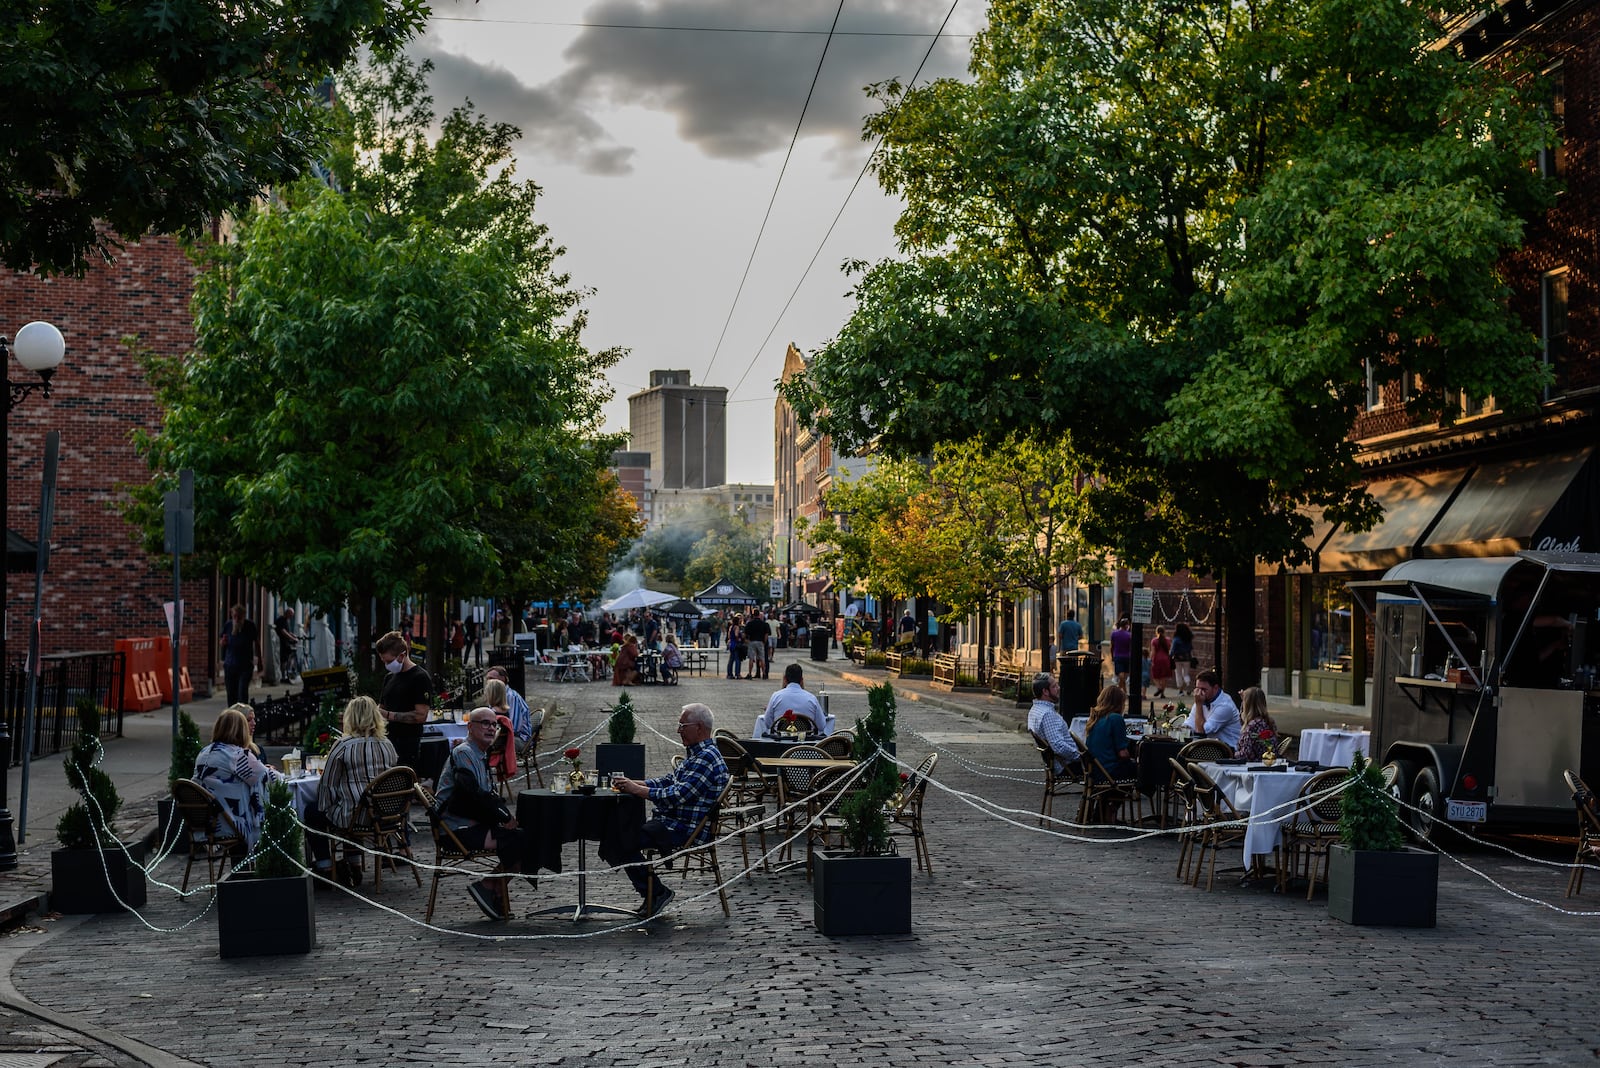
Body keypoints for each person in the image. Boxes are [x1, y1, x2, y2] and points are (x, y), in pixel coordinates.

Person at [612, 703, 730, 917]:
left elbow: (678, 794)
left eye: (683, 725)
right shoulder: (697, 754)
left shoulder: (707, 758)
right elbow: (670, 780)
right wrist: (637, 783)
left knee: (620, 839)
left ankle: (656, 893)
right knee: (617, 835)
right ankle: (653, 893)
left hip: (684, 829)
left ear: (700, 728)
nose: (678, 730)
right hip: (671, 823)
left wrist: (638, 790)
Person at [433, 705, 527, 920]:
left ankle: (492, 885)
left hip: (474, 823)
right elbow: (473, 795)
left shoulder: (481, 754)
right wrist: (504, 818)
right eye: (485, 723)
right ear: (470, 727)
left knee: (527, 836)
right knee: (523, 841)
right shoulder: (464, 752)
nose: (491, 728)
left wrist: (507, 817)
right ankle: (490, 886)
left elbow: (489, 796)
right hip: (457, 829)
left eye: (494, 724)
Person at [306, 696, 398, 883]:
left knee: (314, 812)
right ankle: (353, 864)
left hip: (355, 815)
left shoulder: (343, 745)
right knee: (355, 805)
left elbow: (327, 785)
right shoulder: (388, 745)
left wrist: (327, 805)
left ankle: (325, 866)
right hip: (385, 813)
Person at [192, 707, 282, 851]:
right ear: (241, 730)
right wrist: (272, 771)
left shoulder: (204, 752)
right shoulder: (237, 755)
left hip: (207, 822)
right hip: (231, 822)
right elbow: (271, 779)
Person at [376, 630, 432, 773]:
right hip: (386, 744)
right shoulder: (389, 678)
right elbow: (380, 706)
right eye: (383, 661)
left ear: (402, 656)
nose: (386, 664)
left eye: (389, 661)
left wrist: (388, 715)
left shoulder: (419, 677)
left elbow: (420, 716)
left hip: (407, 745)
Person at [753, 663, 834, 737]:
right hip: (805, 746)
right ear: (802, 680)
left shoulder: (776, 696)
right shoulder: (811, 698)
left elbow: (768, 724)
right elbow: (821, 725)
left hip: (781, 744)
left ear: (785, 679)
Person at [1026, 671, 1081, 776]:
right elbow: (1058, 746)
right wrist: (1081, 756)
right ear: (1045, 691)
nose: (1058, 688)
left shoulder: (1035, 710)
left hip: (1060, 763)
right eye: (1054, 686)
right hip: (1067, 766)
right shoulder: (1047, 715)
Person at [1084, 684, 1136, 781]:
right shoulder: (1115, 718)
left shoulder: (1095, 719)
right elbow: (1123, 754)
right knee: (1146, 768)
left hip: (1095, 772)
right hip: (1110, 772)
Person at [1188, 668, 1242, 750]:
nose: (1199, 693)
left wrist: (1199, 705)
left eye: (1203, 689)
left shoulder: (1225, 706)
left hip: (1228, 751)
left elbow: (1201, 733)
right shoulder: (1202, 699)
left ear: (1215, 688)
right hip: (1210, 747)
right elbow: (1189, 724)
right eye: (1197, 688)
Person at [219, 604, 261, 705]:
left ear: (244, 616)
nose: (237, 619)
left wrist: (260, 661)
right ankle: (232, 717)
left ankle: (242, 717)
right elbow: (221, 641)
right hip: (230, 665)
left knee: (242, 692)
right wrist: (222, 642)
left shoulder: (250, 626)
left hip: (245, 665)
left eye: (239, 617)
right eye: (234, 616)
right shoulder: (228, 625)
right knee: (231, 694)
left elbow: (257, 644)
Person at [483, 668, 534, 746]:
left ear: (503, 679)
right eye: (487, 679)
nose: (488, 682)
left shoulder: (511, 697)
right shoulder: (495, 695)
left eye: (492, 678)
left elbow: (514, 728)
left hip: (519, 738)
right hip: (501, 734)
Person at [1234, 686, 1279, 761]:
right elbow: (1242, 720)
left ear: (1247, 705)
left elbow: (1246, 754)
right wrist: (1243, 700)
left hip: (1254, 765)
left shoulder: (1253, 725)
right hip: (1268, 762)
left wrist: (1232, 753)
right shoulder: (1268, 722)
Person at [272, 606, 300, 683]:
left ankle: (285, 674)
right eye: (291, 615)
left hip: (286, 642)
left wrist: (293, 635)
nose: (291, 617)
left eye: (292, 615)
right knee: (283, 659)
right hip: (282, 642)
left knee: (287, 658)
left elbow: (287, 631)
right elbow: (283, 631)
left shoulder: (286, 621)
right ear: (287, 613)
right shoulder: (281, 620)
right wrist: (293, 638)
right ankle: (282, 676)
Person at [744, 610, 770, 680]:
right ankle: (764, 673)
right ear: (759, 615)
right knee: (762, 658)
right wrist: (764, 642)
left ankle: (750, 673)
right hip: (760, 641)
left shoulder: (750, 623)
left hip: (752, 641)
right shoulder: (763, 623)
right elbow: (766, 634)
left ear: (753, 615)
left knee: (751, 659)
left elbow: (745, 633)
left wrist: (747, 641)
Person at [1149, 626, 1174, 699]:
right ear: (1164, 632)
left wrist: (1150, 659)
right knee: (1164, 677)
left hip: (1157, 659)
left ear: (1156, 632)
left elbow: (1153, 652)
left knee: (1155, 676)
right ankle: (1162, 693)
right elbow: (1169, 649)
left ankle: (1159, 688)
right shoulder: (1168, 640)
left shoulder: (1154, 641)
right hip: (1166, 659)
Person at [1171, 622, 1195, 693]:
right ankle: (1188, 684)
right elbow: (1191, 648)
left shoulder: (1176, 639)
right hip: (1187, 657)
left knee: (1178, 673)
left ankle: (1180, 690)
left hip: (1178, 658)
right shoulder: (1188, 638)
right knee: (1186, 673)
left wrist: (1170, 655)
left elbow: (1173, 649)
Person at [1110, 618, 1132, 692]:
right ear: (1126, 626)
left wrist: (1112, 656)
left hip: (1118, 656)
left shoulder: (1114, 634)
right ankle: (1123, 691)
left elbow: (1112, 646)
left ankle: (1119, 691)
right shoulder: (1129, 635)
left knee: (1122, 676)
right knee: (1123, 676)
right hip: (1126, 657)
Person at [726, 615, 744, 679]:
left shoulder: (731, 627)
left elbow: (729, 636)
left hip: (731, 644)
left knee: (731, 660)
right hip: (736, 644)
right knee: (737, 659)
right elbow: (736, 635)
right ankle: (737, 674)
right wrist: (739, 638)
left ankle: (729, 674)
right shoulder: (737, 627)